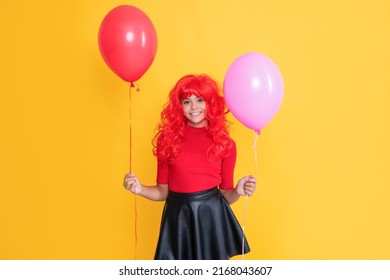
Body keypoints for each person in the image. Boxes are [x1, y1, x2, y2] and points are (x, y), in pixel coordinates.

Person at [123, 74, 257, 260]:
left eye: (200, 100)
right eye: (187, 101)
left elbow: (226, 195)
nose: (194, 107)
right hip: (178, 218)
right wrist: (139, 189)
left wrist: (238, 190)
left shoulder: (226, 144)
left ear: (211, 103)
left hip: (211, 217)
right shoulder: (167, 141)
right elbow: (163, 192)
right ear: (179, 107)